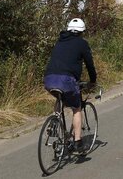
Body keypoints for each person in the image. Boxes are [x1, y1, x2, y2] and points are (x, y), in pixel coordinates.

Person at [43, 18, 97, 153]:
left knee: (59, 97)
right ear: (81, 32)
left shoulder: (59, 41)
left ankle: (55, 122)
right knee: (76, 108)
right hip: (67, 80)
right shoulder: (82, 43)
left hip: (49, 79)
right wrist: (93, 80)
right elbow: (89, 64)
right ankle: (78, 142)